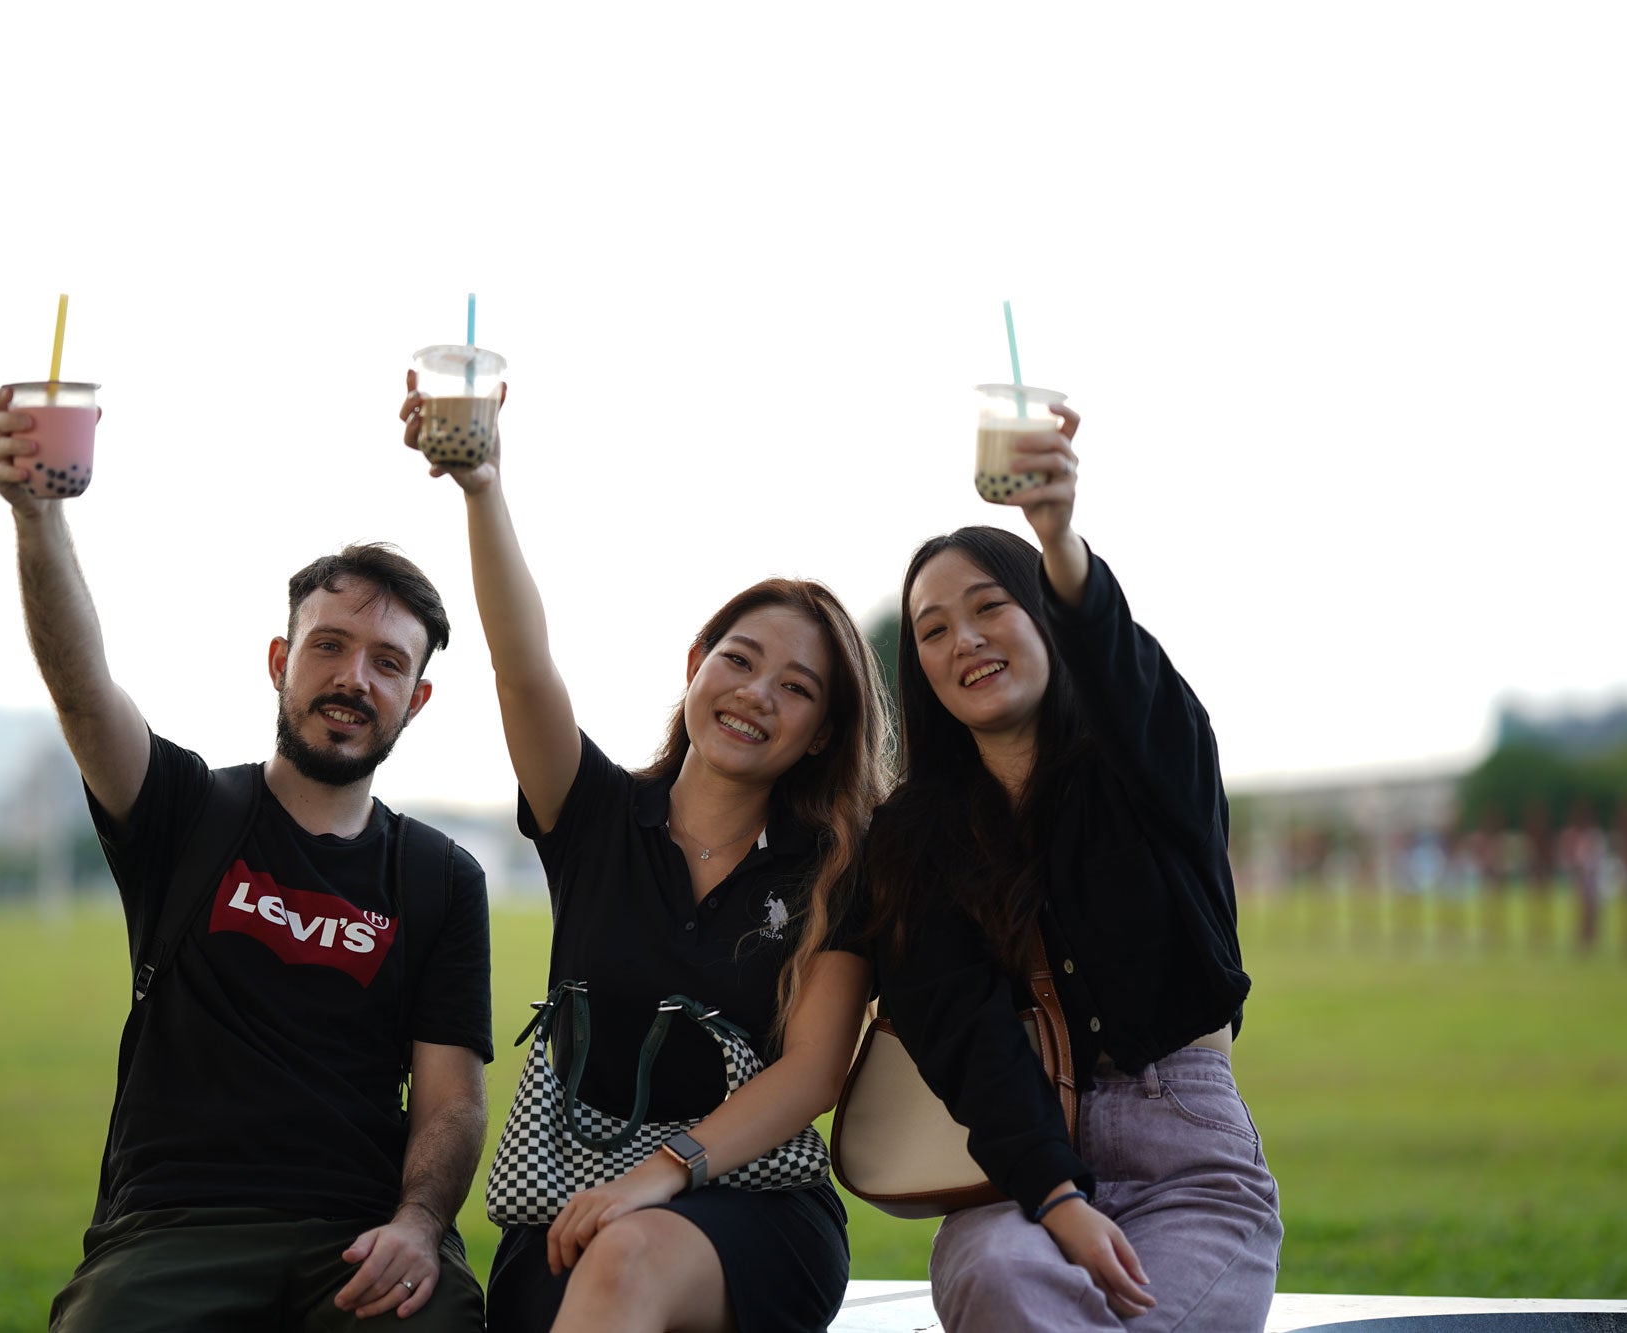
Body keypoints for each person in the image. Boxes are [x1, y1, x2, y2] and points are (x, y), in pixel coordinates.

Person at [0, 385, 494, 1331]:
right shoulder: (183, 807)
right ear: (279, 660)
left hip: (359, 1238)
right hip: (170, 1232)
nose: (353, 677)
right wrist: (37, 515)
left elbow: (452, 1101)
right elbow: (81, 685)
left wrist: (420, 1223)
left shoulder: (440, 878)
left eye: (388, 662)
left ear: (416, 700)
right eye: (329, 645)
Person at [405, 372, 891, 1333]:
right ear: (695, 666)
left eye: (796, 688)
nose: (756, 693)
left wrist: (659, 1177)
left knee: (627, 1257)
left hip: (752, 1210)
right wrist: (483, 487)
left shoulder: (832, 867)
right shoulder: (594, 815)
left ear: (824, 734)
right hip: (568, 1206)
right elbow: (521, 660)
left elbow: (814, 1072)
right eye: (740, 659)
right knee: (605, 1264)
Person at [864, 404, 1281, 1332]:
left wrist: (1056, 538)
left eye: (989, 607)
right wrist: (1057, 1197)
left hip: (1187, 1151)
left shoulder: (1147, 764)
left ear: (1045, 617)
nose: (963, 639)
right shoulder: (913, 838)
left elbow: (1123, 675)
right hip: (1014, 1168)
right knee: (999, 1279)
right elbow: (964, 1033)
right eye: (932, 630)